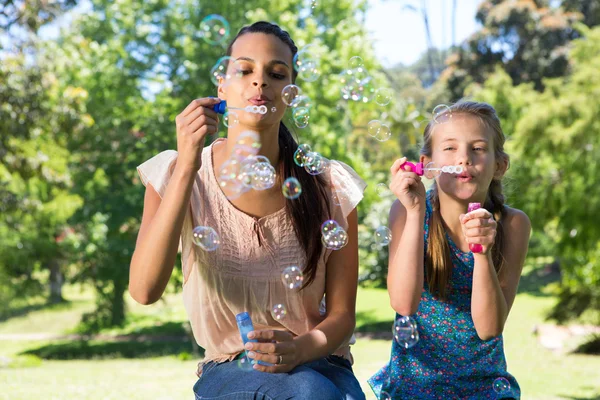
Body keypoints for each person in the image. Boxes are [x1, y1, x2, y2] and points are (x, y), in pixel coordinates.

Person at [129, 21, 367, 400]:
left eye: (276, 73)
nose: (260, 82)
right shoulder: (175, 174)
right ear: (221, 86)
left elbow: (342, 317)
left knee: (311, 389)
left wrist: (300, 350)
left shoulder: (328, 186)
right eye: (244, 70)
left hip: (320, 362)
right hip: (231, 366)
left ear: (290, 93)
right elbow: (144, 290)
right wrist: (189, 166)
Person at [369, 101, 531, 399]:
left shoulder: (512, 224)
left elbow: (489, 328)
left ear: (499, 165)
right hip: (413, 388)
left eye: (478, 149)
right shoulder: (406, 212)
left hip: (485, 389)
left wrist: (481, 252)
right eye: (450, 148)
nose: (464, 159)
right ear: (427, 164)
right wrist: (416, 212)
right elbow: (403, 304)